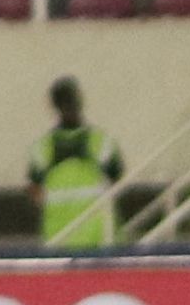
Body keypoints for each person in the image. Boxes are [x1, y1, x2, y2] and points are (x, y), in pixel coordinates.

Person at [32, 76, 127, 248]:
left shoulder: (43, 147)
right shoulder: (100, 142)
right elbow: (116, 177)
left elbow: (35, 190)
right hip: (96, 239)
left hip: (60, 239)